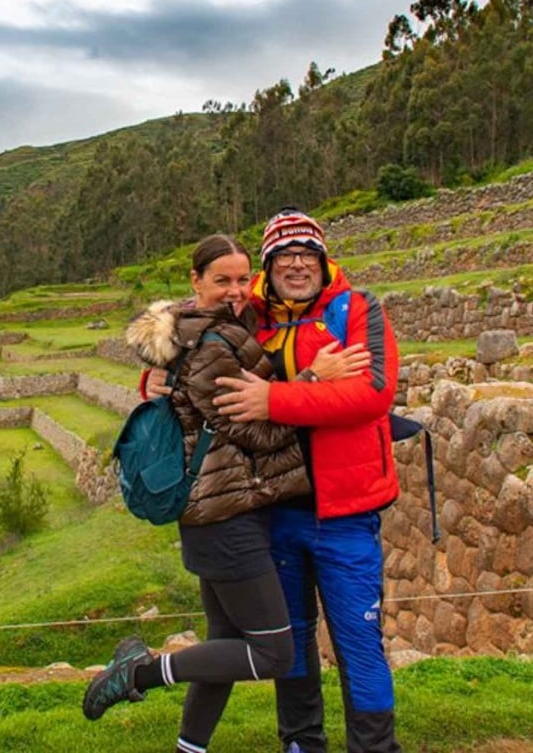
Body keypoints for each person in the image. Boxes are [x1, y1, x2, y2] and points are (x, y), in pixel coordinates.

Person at [83, 233, 365, 753]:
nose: (236, 291)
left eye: (242, 279)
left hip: (219, 510)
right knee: (273, 654)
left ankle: (189, 748)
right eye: (222, 280)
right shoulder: (213, 345)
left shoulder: (209, 330)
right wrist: (312, 380)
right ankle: (139, 672)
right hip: (226, 519)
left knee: (224, 644)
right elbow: (256, 429)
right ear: (196, 282)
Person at [214, 207, 403, 753]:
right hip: (276, 511)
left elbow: (371, 393)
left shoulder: (357, 309)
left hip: (347, 511)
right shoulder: (248, 316)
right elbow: (191, 350)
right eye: (284, 256)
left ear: (323, 261)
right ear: (268, 266)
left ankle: (374, 747)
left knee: (359, 639)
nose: (297, 265)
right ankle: (300, 743)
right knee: (292, 641)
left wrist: (274, 399)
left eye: (307, 254)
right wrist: (152, 377)